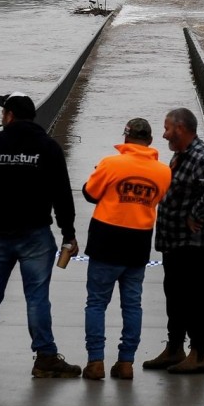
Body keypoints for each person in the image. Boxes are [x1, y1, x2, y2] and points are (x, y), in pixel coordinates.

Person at [0, 91, 81, 379]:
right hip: (35, 233)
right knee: (37, 297)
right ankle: (45, 357)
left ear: (9, 115)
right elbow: (61, 194)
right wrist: (69, 233)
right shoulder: (48, 147)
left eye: (2, 113)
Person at [80, 117, 171, 381]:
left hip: (106, 240)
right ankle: (126, 362)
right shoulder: (163, 172)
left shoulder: (111, 164)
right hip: (138, 243)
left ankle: (95, 361)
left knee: (96, 303)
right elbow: (158, 198)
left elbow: (90, 193)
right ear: (150, 141)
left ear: (126, 137)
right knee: (132, 305)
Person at [142, 107, 204, 375]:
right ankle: (174, 348)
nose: (164, 133)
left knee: (194, 297)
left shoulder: (199, 156)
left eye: (167, 128)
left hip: (193, 243)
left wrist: (195, 214)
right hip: (176, 242)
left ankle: (199, 353)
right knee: (175, 295)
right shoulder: (181, 155)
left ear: (181, 129)